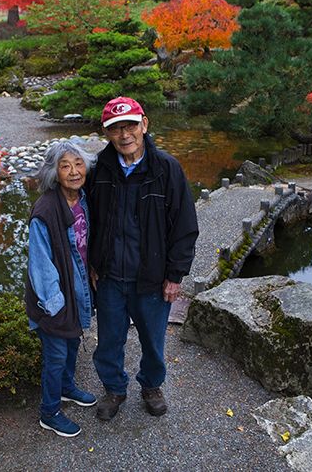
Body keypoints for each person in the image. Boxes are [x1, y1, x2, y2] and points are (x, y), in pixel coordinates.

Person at [87, 96, 199, 420]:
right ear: (107, 133)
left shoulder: (166, 168)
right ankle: (114, 388)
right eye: (116, 128)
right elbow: (89, 219)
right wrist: (93, 262)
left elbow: (185, 226)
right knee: (109, 340)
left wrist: (175, 275)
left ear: (144, 125)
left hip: (150, 276)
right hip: (109, 276)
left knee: (153, 340)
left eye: (130, 126)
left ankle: (151, 385)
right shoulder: (99, 169)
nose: (125, 135)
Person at [25, 140, 97, 438]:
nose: (73, 171)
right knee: (55, 354)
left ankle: (67, 388)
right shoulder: (45, 210)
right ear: (54, 172)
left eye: (78, 164)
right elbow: (40, 265)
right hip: (54, 296)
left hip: (77, 287)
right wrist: (55, 305)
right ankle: (50, 412)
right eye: (65, 165)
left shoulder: (82, 199)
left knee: (70, 345)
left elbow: (84, 243)